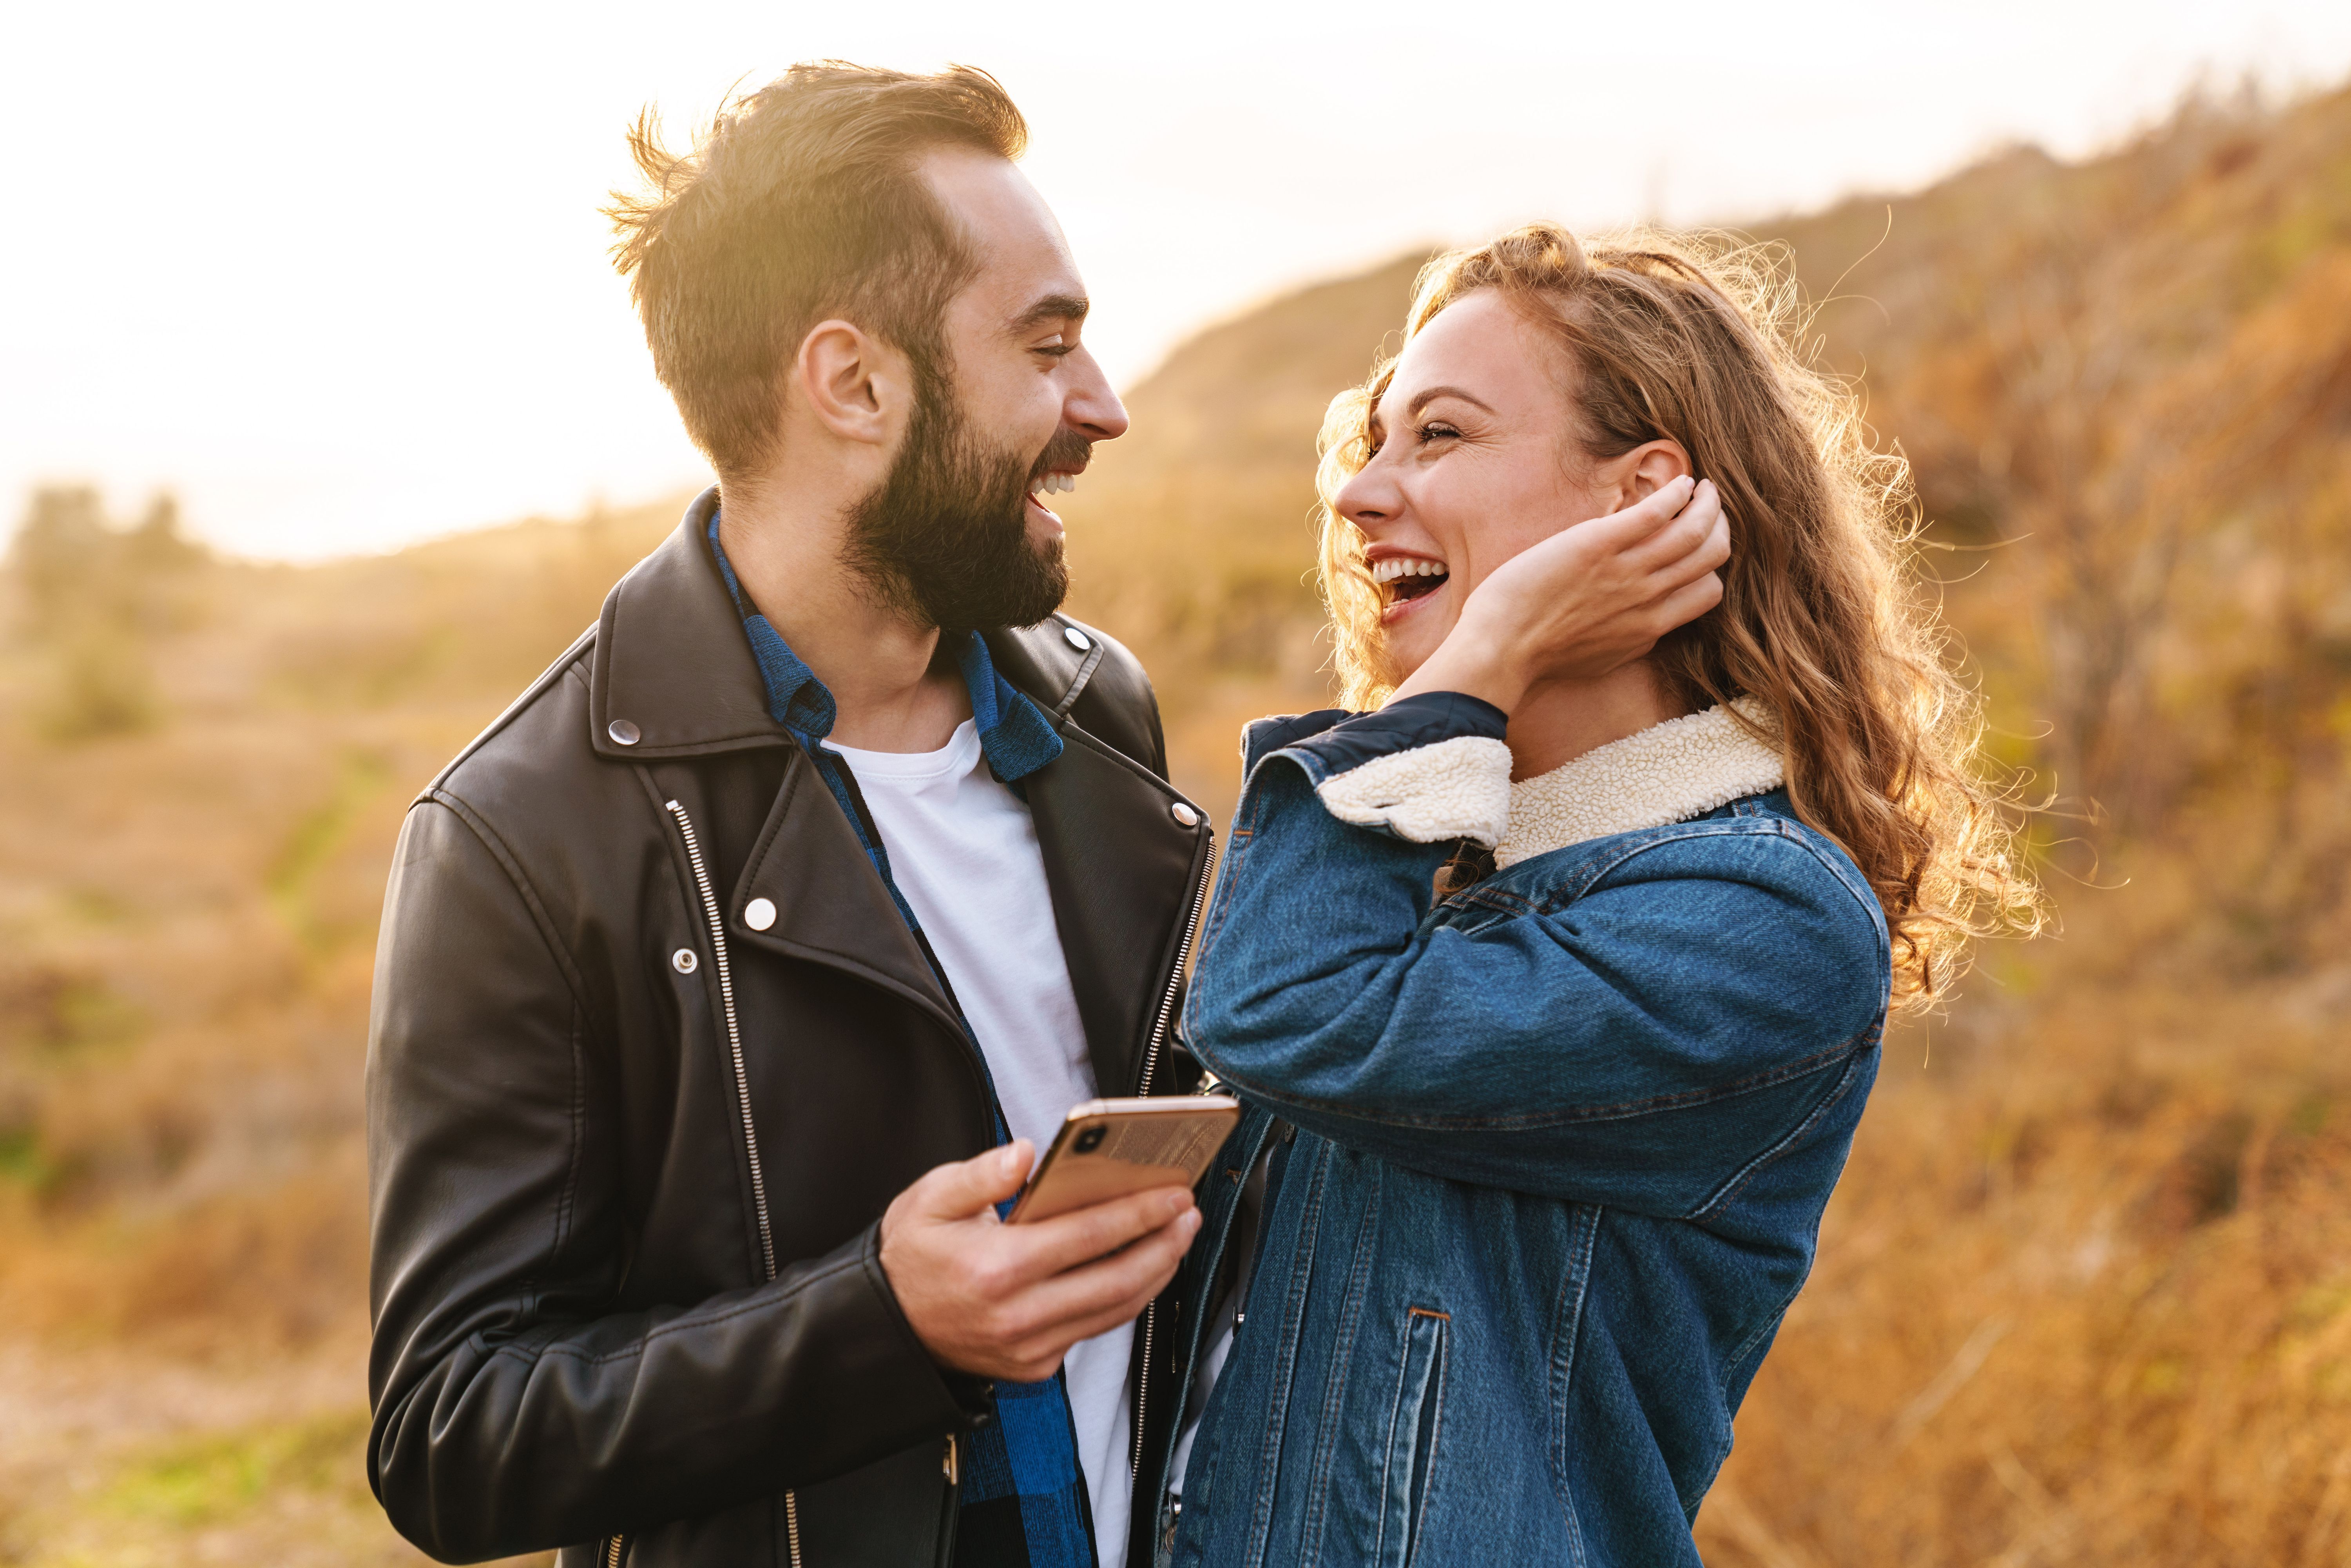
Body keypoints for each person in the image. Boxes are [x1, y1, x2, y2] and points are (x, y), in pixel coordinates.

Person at [365, 65, 1211, 1568]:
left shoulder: (1099, 719)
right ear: (856, 384)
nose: (1103, 406)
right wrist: (882, 1326)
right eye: (1049, 344)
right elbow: (452, 1432)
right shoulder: (524, 832)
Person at [1149, 226, 2042, 1566]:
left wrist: (1480, 664)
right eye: (1373, 442)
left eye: (1439, 435)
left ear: (1643, 501)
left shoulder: (1761, 917)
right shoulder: (1434, 861)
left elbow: (1289, 1009)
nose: (1362, 496)